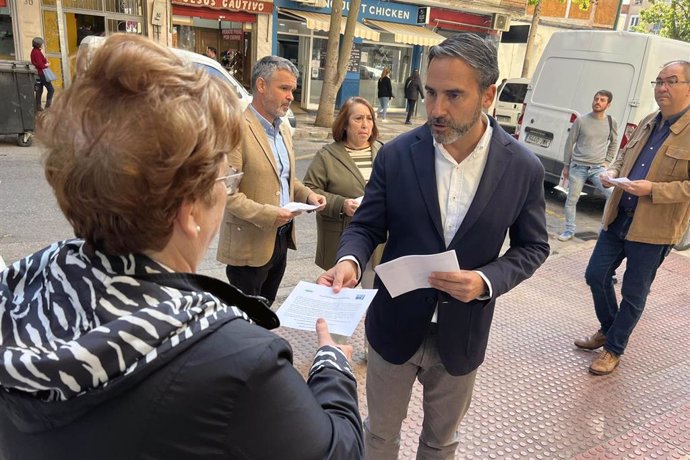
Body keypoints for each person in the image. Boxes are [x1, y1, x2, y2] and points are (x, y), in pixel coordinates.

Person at [0, 34, 363, 459]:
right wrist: (331, 366)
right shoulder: (240, 363)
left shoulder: (19, 289)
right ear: (189, 211)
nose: (227, 191)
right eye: (225, 180)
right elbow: (338, 452)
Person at [318, 33, 550, 459]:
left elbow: (533, 247)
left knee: (441, 442)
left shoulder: (522, 168)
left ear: (489, 95)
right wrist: (349, 260)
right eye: (430, 92)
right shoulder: (398, 154)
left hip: (463, 333)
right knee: (380, 434)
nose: (437, 109)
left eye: (454, 95)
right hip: (394, 325)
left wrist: (485, 280)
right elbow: (367, 225)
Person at [575, 60, 690, 376]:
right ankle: (610, 329)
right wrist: (613, 170)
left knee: (634, 293)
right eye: (659, 81)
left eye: (671, 81)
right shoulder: (649, 121)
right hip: (619, 215)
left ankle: (613, 349)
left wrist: (653, 188)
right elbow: (625, 155)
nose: (662, 87)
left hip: (654, 229)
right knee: (595, 275)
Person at [217, 56, 326, 305]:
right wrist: (269, 215)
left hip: (280, 240)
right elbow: (226, 193)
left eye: (293, 90)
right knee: (246, 326)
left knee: (266, 318)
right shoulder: (235, 128)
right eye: (284, 88)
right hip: (249, 248)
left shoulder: (283, 129)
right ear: (262, 85)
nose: (290, 97)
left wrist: (307, 195)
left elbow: (285, 179)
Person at [303, 96, 383, 286]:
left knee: (373, 299)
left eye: (369, 118)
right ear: (344, 124)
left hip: (379, 243)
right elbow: (309, 190)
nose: (365, 124)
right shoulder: (327, 156)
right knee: (343, 297)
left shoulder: (383, 152)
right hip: (341, 239)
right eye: (358, 119)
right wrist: (341, 204)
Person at [558, 90, 619, 241]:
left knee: (612, 195)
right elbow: (569, 143)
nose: (598, 102)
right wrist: (566, 165)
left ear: (608, 104)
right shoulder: (581, 121)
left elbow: (614, 143)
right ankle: (569, 230)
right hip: (578, 167)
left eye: (602, 100)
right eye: (596, 99)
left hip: (598, 168)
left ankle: (605, 228)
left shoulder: (611, 122)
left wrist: (607, 161)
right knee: (572, 200)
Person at [30, 37, 54, 111]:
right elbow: (40, 64)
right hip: (41, 73)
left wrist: (45, 60)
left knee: (39, 90)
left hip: (39, 73)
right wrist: (46, 65)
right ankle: (48, 106)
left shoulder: (36, 51)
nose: (42, 45)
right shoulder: (36, 52)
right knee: (51, 89)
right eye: (41, 43)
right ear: (38, 44)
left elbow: (40, 61)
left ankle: (39, 106)